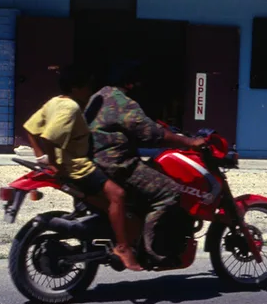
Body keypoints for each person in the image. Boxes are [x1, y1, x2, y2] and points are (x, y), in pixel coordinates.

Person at [22, 65, 141, 271]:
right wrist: (52, 162)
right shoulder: (71, 108)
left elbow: (29, 128)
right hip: (76, 166)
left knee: (106, 200)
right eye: (87, 87)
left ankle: (107, 230)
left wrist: (39, 156)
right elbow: (49, 137)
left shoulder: (54, 102)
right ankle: (123, 248)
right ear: (76, 88)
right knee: (118, 195)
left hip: (68, 164)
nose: (90, 91)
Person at [85, 62, 205, 264]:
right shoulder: (122, 103)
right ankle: (152, 251)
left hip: (94, 163)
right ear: (130, 83)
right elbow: (153, 134)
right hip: (118, 166)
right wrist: (189, 142)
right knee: (170, 191)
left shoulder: (98, 96)